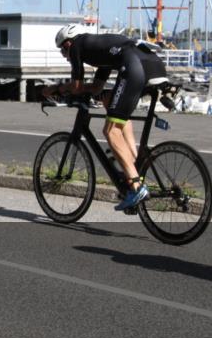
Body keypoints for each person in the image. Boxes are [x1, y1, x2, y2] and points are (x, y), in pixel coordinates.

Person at [44, 25, 168, 211]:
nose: (64, 55)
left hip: (135, 64)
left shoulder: (78, 45)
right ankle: (134, 164)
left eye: (63, 50)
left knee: (110, 131)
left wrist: (56, 89)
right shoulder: (101, 50)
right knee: (112, 103)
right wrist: (87, 92)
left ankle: (135, 186)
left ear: (68, 42)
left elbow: (77, 87)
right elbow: (96, 88)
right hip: (152, 64)